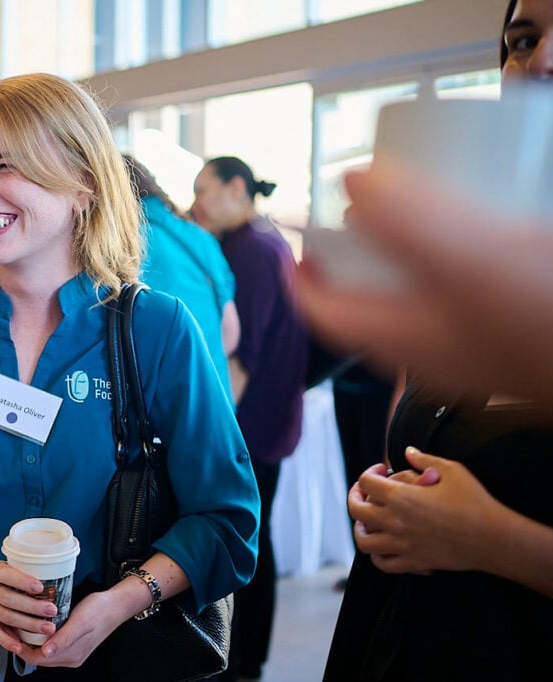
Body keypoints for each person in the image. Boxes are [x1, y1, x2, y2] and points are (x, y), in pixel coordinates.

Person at [0, 72, 259, 681]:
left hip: (111, 649)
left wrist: (121, 601)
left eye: (4, 166)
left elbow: (227, 518)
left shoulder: (156, 329)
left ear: (83, 182)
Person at [319, 1, 553, 678]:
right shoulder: (487, 260)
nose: (540, 62)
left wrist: (492, 540)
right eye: (522, 39)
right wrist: (393, 494)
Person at [189, 156, 308, 682]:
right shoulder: (255, 242)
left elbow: (243, 356)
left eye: (204, 189)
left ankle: (246, 661)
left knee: (248, 546)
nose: (197, 202)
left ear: (237, 188)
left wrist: (216, 430)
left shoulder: (255, 250)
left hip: (253, 427)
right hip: (263, 423)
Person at [123, 155, 238, 401]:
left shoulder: (123, 242)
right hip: (215, 400)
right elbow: (230, 332)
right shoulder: (201, 237)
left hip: (161, 407)